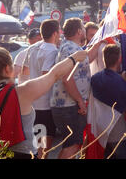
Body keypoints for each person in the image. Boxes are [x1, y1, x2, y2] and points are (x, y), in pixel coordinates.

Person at [0, 46, 87, 158]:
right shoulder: (20, 92)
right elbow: (54, 74)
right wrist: (74, 57)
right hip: (20, 154)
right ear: (7, 69)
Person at [50, 18, 102, 159]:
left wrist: (100, 41)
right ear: (79, 31)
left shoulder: (70, 47)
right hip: (70, 106)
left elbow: (87, 58)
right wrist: (79, 100)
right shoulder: (70, 49)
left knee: (71, 144)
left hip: (67, 105)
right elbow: (67, 78)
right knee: (73, 145)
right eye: (83, 29)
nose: (85, 31)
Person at [23, 19, 61, 158]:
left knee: (38, 145)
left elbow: (24, 71)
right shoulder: (52, 51)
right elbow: (46, 76)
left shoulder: (33, 48)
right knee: (44, 147)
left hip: (33, 101)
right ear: (55, 33)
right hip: (45, 103)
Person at [87, 44, 126, 159]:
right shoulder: (121, 81)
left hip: (101, 132)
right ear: (119, 59)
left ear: (103, 59)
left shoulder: (94, 78)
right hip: (119, 133)